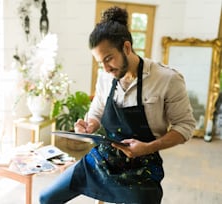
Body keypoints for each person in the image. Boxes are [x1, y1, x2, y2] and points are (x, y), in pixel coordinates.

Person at [39, 6, 196, 204]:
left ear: (127, 48)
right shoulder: (105, 76)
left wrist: (148, 147)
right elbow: (96, 111)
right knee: (46, 198)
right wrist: (89, 125)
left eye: (108, 59)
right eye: (99, 62)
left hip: (143, 165)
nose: (105, 68)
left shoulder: (167, 79)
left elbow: (185, 127)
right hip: (103, 158)